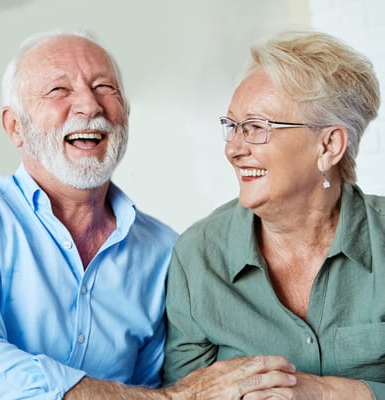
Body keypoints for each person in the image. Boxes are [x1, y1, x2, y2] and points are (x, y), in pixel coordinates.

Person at [0, 29, 298, 400]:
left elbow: (145, 387)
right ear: (14, 127)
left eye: (105, 88)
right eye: (59, 90)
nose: (90, 106)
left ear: (125, 113)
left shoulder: (163, 250)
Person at [164, 30, 384, 399]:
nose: (234, 149)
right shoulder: (198, 257)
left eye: (256, 128)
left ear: (328, 145)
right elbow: (184, 394)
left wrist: (329, 393)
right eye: (232, 127)